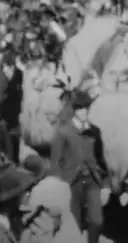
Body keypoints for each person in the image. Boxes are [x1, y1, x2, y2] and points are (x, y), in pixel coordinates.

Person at [49, 90, 111, 243]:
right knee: (74, 223)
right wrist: (58, 187)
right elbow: (55, 163)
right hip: (71, 181)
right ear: (74, 110)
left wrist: (106, 185)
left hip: (92, 180)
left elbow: (101, 160)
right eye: (80, 109)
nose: (84, 112)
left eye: (86, 108)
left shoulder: (94, 132)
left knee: (97, 220)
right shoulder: (63, 132)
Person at [0, 52, 23, 162]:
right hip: (7, 118)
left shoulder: (14, 78)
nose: (5, 70)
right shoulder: (3, 76)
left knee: (9, 144)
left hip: (10, 119)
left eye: (6, 67)